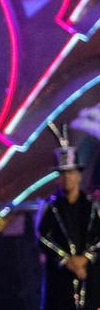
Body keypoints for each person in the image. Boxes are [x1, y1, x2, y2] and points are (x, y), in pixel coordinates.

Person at [37, 123, 100, 309]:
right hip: (60, 282)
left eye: (71, 173)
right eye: (63, 173)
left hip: (88, 278)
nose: (67, 178)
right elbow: (43, 238)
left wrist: (85, 258)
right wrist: (67, 260)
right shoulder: (51, 208)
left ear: (79, 175)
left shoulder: (91, 208)